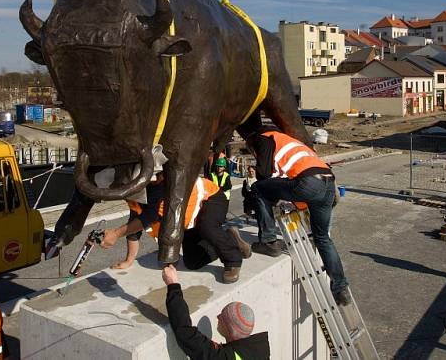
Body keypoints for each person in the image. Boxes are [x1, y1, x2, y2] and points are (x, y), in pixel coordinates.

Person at [244, 129, 350, 305]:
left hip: (309, 183)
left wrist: (252, 199)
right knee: (322, 238)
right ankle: (340, 288)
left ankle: (269, 241)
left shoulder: (263, 138)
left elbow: (264, 175)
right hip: (329, 183)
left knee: (257, 188)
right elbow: (285, 176)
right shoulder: (291, 143)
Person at [101, 177, 251, 283]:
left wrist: (115, 233)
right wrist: (128, 261)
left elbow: (149, 217)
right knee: (192, 262)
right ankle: (230, 240)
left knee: (208, 228)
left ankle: (233, 260)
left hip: (211, 197)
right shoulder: (136, 197)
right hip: (191, 219)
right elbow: (133, 228)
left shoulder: (159, 190)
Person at [162, 265, 270, 359]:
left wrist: (173, 285)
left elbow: (186, 333)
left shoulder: (222, 357)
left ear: (230, 331)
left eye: (222, 318)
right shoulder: (259, 351)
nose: (218, 316)